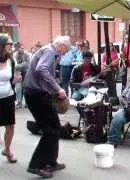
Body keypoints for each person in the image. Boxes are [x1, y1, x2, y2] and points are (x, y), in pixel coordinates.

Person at [23, 36, 71, 178]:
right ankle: (36, 165)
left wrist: (54, 87)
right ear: (61, 46)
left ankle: (50, 161)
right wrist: (57, 89)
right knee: (50, 130)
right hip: (36, 95)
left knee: (55, 126)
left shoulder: (48, 51)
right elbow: (42, 69)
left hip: (37, 94)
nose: (65, 53)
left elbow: (44, 72)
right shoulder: (50, 52)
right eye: (66, 50)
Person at [0, 33, 19, 164]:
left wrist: (16, 80)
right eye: (9, 43)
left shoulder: (11, 61)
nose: (11, 46)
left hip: (8, 97)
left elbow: (11, 80)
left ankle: (7, 150)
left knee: (10, 126)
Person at [13, 42, 30, 108]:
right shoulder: (15, 54)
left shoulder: (26, 54)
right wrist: (18, 66)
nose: (18, 49)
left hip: (26, 72)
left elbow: (27, 64)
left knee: (26, 88)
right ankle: (19, 103)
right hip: (18, 73)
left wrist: (18, 65)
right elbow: (14, 64)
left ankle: (27, 103)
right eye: (16, 47)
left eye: (18, 47)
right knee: (18, 88)